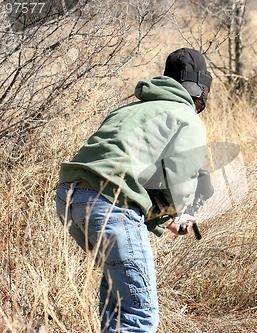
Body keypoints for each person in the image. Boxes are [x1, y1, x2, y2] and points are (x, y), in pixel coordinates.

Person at [55, 48, 212, 332]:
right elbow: (181, 182)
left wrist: (163, 218)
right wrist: (179, 211)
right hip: (110, 206)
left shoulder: (128, 109)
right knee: (139, 316)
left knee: (117, 307)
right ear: (201, 90)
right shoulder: (186, 117)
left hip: (70, 197)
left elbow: (125, 171)